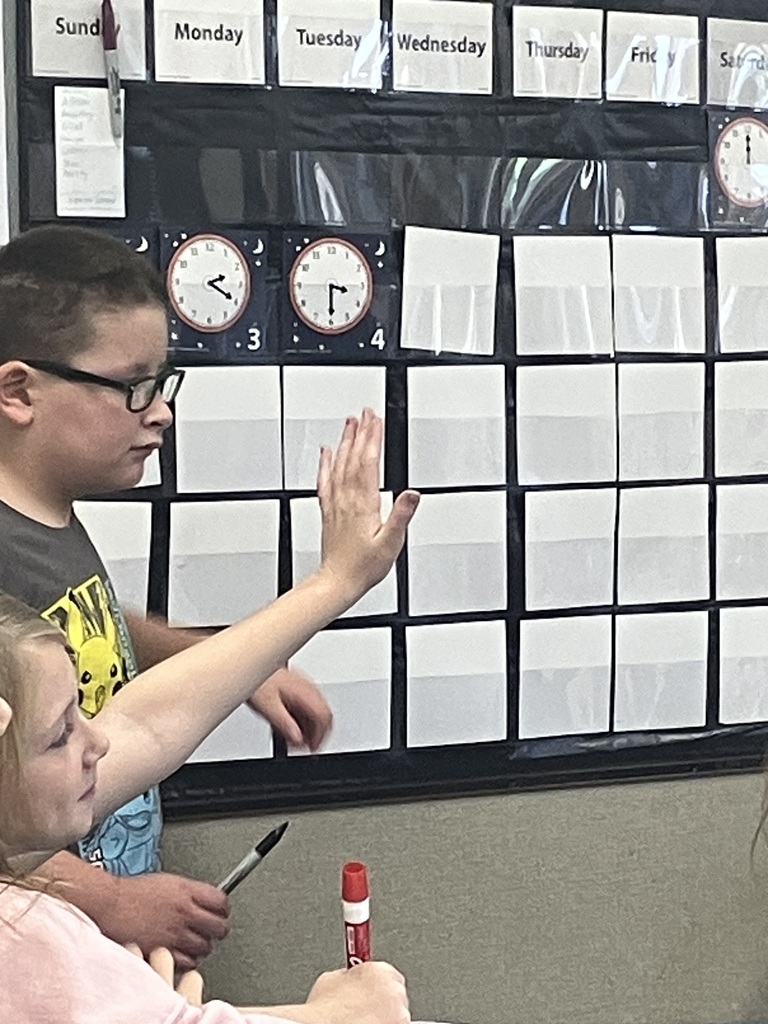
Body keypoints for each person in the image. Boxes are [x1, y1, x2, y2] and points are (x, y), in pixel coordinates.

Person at [0, 408, 417, 1024]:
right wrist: (350, 1014)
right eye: (63, 730)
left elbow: (144, 724)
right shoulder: (28, 937)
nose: (99, 742)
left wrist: (337, 581)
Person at [0, 224, 338, 967]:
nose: (160, 412)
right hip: (46, 951)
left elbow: (84, 626)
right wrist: (110, 900)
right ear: (19, 392)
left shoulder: (46, 515)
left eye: (163, 382)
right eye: (133, 387)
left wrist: (228, 661)